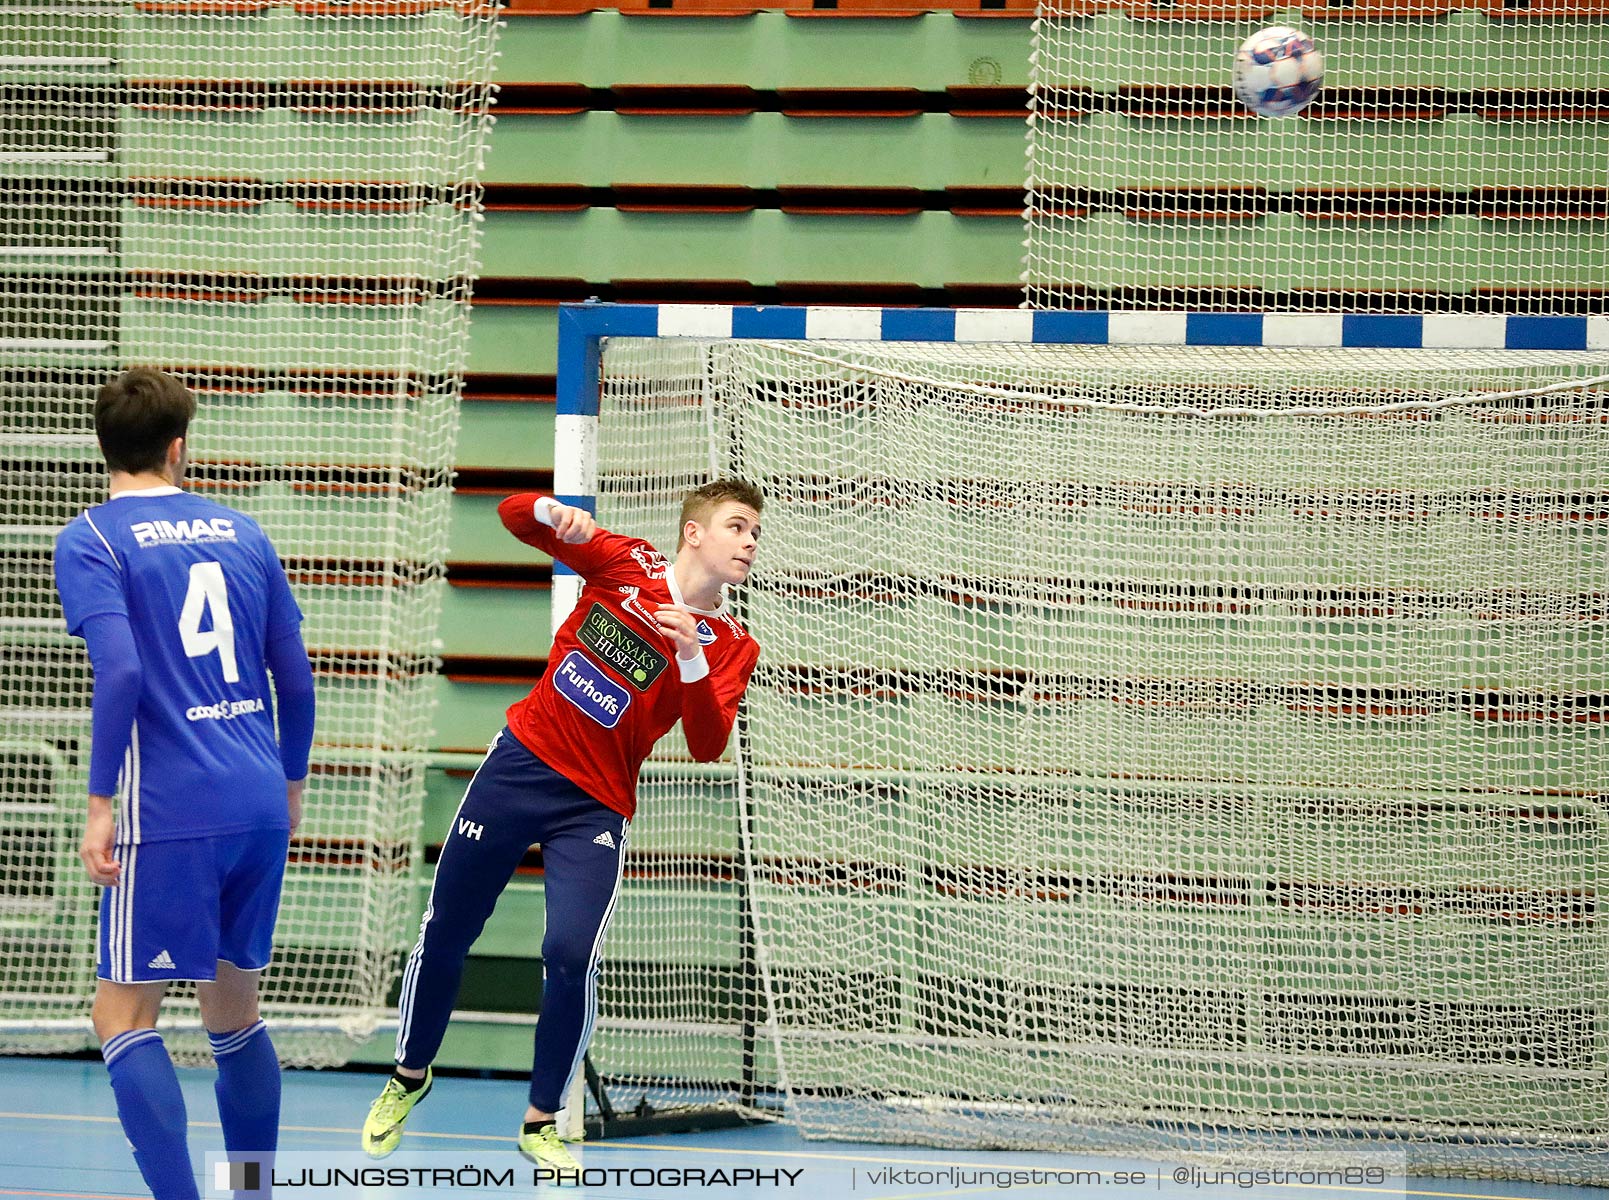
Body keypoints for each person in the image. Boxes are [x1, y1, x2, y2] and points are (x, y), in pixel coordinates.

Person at [361, 480, 763, 1174]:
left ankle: (541, 1119)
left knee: (571, 952)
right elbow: (513, 517)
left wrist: (692, 656)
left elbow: (706, 743)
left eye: (755, 531)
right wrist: (552, 512)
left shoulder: (730, 644)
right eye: (736, 526)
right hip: (518, 769)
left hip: (595, 806)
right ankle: (408, 1073)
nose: (750, 541)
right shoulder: (626, 564)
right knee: (447, 927)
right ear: (694, 533)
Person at [53, 369, 316, 1200]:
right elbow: (296, 678)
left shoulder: (91, 539)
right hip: (254, 799)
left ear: (105, 447)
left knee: (123, 1018)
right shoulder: (245, 532)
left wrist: (100, 804)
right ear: (178, 448)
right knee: (233, 1015)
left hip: (168, 811)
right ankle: (252, 1191)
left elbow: (122, 669)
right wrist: (293, 782)